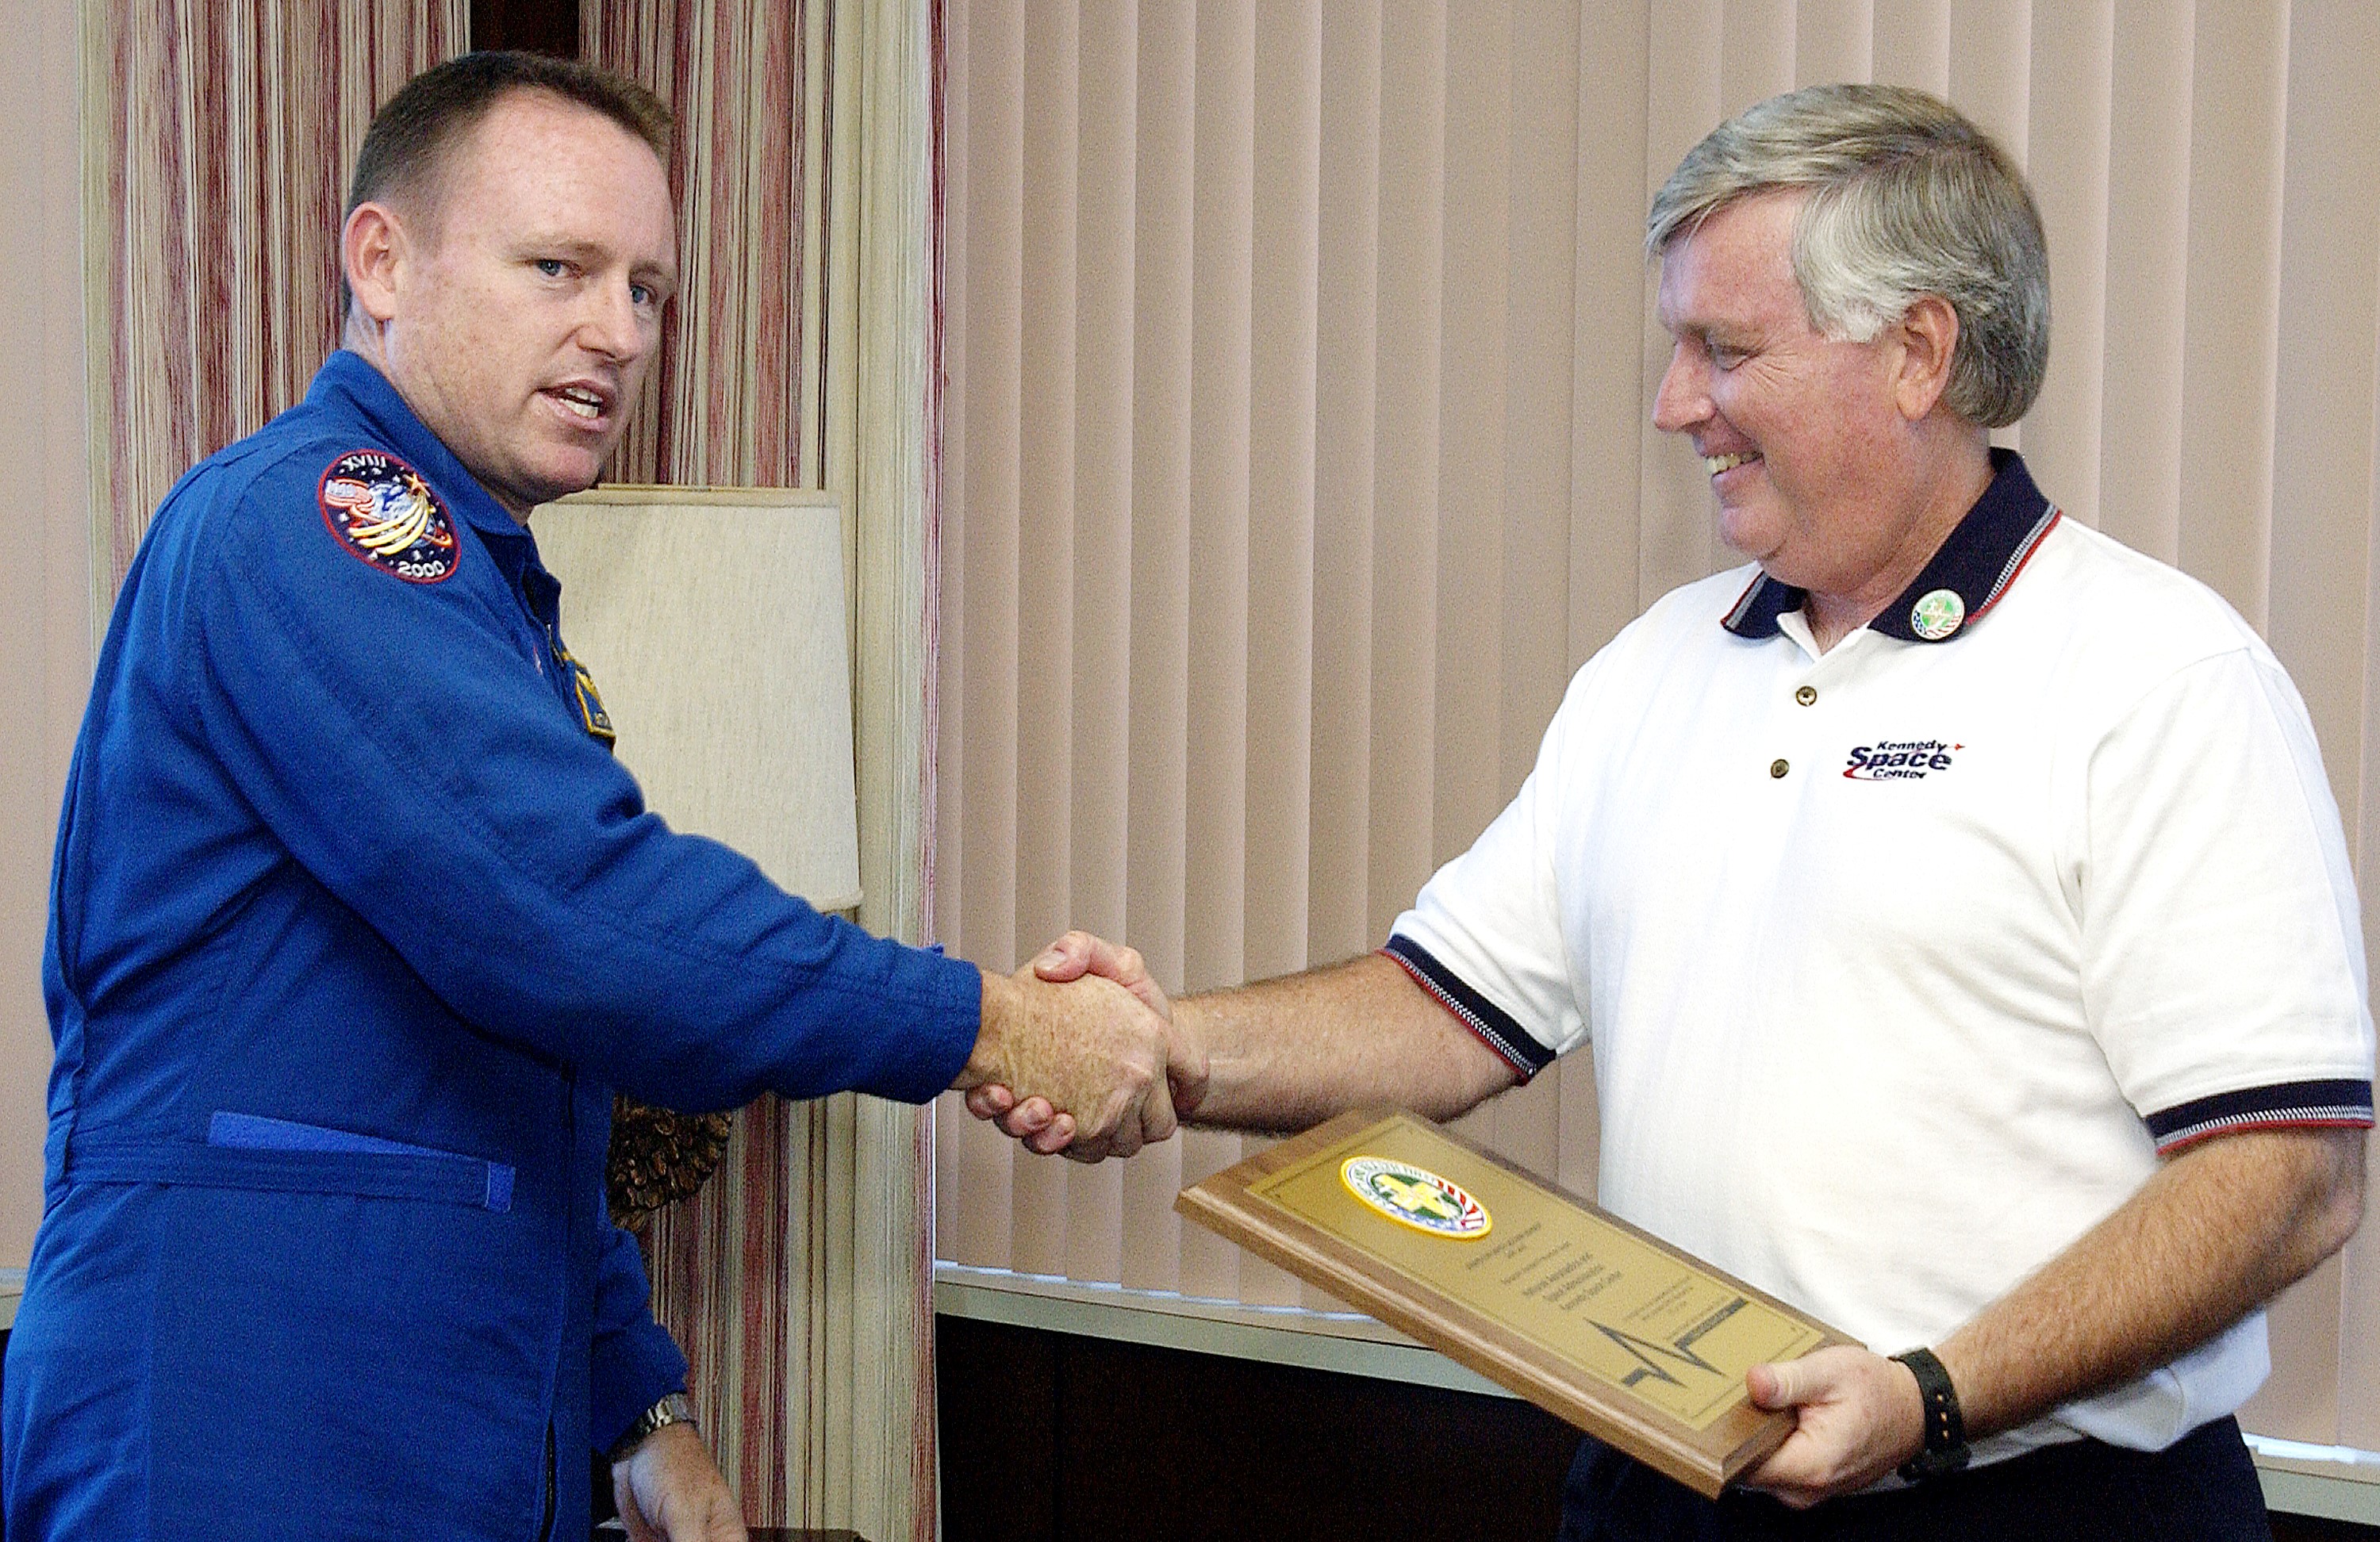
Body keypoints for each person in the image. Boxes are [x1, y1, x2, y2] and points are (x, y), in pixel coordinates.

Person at [974, 82, 2374, 1540]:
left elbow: (2285, 1175)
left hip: (2035, 1503)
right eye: (1676, 346)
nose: (1675, 402)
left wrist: (1933, 1395)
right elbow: (1450, 1007)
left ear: (1917, 351)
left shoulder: (2161, 675)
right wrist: (1171, 1045)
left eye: (1729, 348)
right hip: (1662, 1490)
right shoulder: (1659, 665)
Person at [2, 52, 1199, 1542]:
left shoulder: (478, 587)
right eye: (559, 266)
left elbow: (523, 1060)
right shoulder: (310, 529)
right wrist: (994, 1023)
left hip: (429, 1427)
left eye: (646, 289)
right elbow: (576, 923)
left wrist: (638, 1405)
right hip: (244, 1420)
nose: (617, 331)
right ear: (382, 264)